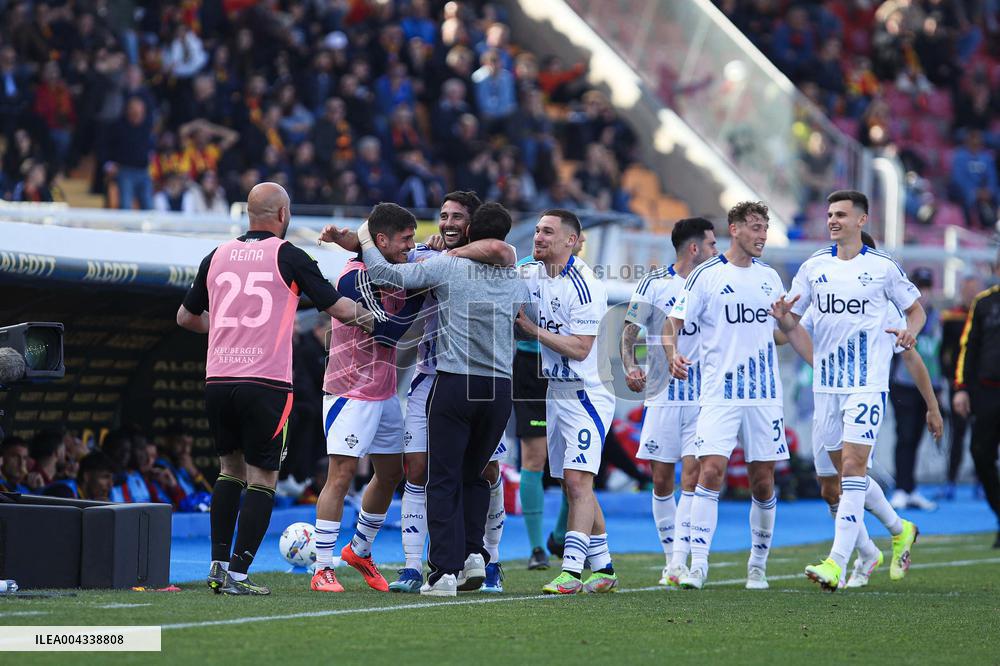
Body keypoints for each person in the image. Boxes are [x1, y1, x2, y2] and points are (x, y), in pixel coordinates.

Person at [177, 182, 373, 596]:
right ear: (283, 214)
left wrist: (227, 329)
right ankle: (239, 574)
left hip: (219, 379)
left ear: (250, 213)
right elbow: (338, 308)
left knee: (229, 470)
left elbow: (185, 318)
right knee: (263, 477)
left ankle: (217, 566)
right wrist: (382, 320)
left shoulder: (216, 255)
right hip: (265, 383)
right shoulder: (289, 256)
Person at [360, 202, 525, 597]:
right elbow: (520, 314)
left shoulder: (449, 266)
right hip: (499, 388)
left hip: (455, 382)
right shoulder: (516, 278)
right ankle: (474, 557)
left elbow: (385, 274)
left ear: (471, 233)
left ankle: (444, 573)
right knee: (475, 476)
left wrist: (366, 237)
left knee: (443, 478)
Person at [783, 190, 926, 591]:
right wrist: (783, 322)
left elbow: (916, 311)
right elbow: (792, 325)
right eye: (830, 214)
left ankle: (836, 563)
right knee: (834, 481)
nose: (833, 220)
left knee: (852, 468)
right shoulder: (814, 268)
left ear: (862, 220)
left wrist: (910, 333)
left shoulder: (882, 268)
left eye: (842, 214)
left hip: (867, 384)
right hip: (827, 389)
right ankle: (898, 530)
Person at [665, 201, 809, 590]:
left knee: (762, 481)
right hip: (719, 393)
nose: (762, 235)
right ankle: (698, 566)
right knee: (710, 471)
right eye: (756, 227)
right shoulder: (706, 275)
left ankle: (757, 566)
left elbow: (783, 333)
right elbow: (673, 322)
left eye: (765, 228)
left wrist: (787, 323)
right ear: (735, 229)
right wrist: (673, 353)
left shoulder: (770, 277)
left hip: (764, 395)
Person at [307, 203, 428, 594]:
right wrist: (420, 294)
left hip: (384, 391)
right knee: (341, 475)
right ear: (381, 241)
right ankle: (321, 568)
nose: (410, 246)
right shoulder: (353, 278)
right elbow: (389, 331)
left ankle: (359, 549)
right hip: (350, 392)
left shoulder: (393, 269)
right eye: (405, 239)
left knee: (392, 472)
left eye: (412, 239)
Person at [515, 209, 618, 595]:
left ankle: (571, 572)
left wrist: (531, 330)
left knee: (577, 480)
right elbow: (498, 274)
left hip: (587, 393)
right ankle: (604, 567)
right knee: (571, 481)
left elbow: (580, 348)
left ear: (570, 241)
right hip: (555, 391)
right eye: (537, 230)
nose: (538, 237)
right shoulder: (530, 273)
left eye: (547, 232)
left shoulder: (585, 285)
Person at [621, 217, 717, 588]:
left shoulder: (715, 283)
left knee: (692, 476)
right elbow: (630, 329)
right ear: (694, 248)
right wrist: (631, 365)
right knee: (661, 480)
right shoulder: (655, 283)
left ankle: (683, 561)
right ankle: (670, 559)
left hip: (702, 397)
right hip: (662, 395)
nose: (716, 251)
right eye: (711, 244)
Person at [953, 255, 1000, 549]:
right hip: (987, 393)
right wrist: (961, 388)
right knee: (980, 455)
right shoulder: (983, 304)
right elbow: (967, 348)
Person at [889, 267, 943, 511]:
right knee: (905, 435)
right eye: (920, 287)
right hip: (904, 384)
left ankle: (910, 488)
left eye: (927, 287)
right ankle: (902, 488)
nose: (924, 292)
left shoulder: (939, 318)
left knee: (919, 437)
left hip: (930, 386)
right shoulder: (902, 316)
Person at [939, 275, 982, 500]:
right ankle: (951, 480)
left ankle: (981, 481)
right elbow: (944, 352)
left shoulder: (987, 315)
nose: (970, 293)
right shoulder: (952, 317)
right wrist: (949, 380)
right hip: (959, 384)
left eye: (974, 289)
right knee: (957, 434)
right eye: (967, 290)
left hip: (983, 386)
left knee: (983, 435)